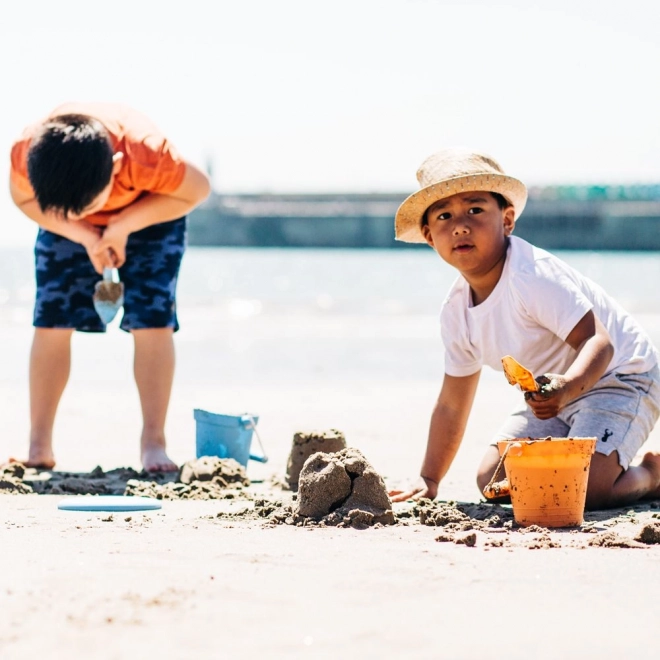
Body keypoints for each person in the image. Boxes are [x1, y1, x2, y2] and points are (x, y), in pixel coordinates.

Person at [389, 148, 660, 509]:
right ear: (428, 235)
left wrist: (566, 387)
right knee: (494, 481)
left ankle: (650, 475)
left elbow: (599, 341)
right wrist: (430, 478)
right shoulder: (456, 313)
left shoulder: (531, 275)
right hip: (552, 396)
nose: (461, 225)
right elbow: (453, 404)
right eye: (444, 216)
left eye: (475, 209)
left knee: (582, 490)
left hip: (619, 378)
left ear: (507, 219)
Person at [9, 103, 211, 472]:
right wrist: (82, 233)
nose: (85, 214)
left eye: (89, 207)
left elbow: (198, 189)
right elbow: (22, 198)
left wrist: (121, 226)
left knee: (153, 320)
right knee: (51, 320)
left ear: (117, 166)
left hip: (152, 214)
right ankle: (39, 445)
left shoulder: (147, 153)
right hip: (62, 224)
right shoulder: (28, 152)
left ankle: (154, 442)